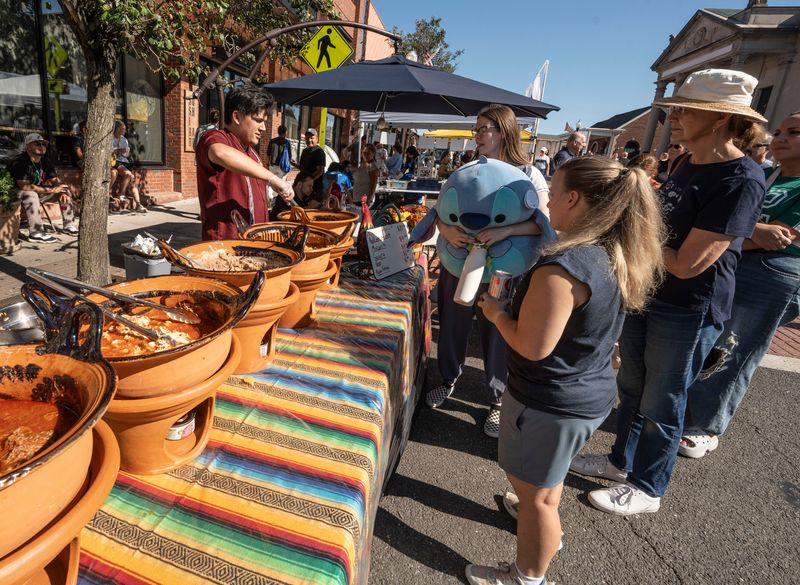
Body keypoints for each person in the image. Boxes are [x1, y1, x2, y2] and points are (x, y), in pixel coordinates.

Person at [570, 68, 767, 515]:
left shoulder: (741, 178)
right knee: (635, 385)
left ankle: (649, 486)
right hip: (652, 295)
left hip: (690, 308)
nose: (672, 114)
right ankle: (622, 461)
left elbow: (687, 263)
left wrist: (632, 231)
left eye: (685, 108)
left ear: (718, 118)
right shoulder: (687, 163)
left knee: (664, 399)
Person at [465, 156, 665, 585]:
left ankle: (526, 573)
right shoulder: (613, 253)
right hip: (584, 395)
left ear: (573, 199)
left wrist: (498, 314)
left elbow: (534, 346)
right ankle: (539, 521)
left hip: (548, 401)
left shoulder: (563, 267)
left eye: (552, 194)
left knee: (537, 499)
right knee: (545, 487)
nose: (547, 202)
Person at [679, 111, 800, 458]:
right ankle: (683, 412)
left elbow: (780, 238)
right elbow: (729, 227)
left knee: (734, 349)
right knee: (706, 341)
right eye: (778, 131)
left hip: (772, 275)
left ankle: (705, 426)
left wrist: (734, 231)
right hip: (733, 265)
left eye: (794, 132)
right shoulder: (761, 174)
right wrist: (751, 230)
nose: (780, 137)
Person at [426, 103, 551, 438]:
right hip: (460, 262)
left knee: (497, 330)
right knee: (453, 321)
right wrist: (446, 230)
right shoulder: (467, 170)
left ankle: (498, 399)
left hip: (503, 271)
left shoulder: (529, 174)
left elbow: (542, 224)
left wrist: (506, 231)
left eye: (484, 129)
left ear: (504, 131)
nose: (478, 136)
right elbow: (444, 210)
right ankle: (449, 377)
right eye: (476, 130)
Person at [195, 84, 293, 241]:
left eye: (265, 122)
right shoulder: (215, 138)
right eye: (258, 120)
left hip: (255, 244)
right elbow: (220, 153)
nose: (263, 128)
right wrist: (273, 179)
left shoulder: (252, 153)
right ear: (236, 117)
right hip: (225, 246)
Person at [9, 133, 79, 241]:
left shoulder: (44, 161)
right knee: (31, 195)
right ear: (28, 146)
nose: (41, 146)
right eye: (37, 144)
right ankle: (36, 233)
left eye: (44, 144)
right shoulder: (20, 161)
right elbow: (25, 186)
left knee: (64, 191)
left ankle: (69, 225)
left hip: (37, 191)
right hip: (15, 192)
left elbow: (56, 181)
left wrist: (62, 191)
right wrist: (51, 190)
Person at [111, 121, 146, 213]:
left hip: (124, 161)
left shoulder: (124, 139)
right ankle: (121, 194)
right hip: (116, 161)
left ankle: (138, 204)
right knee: (128, 174)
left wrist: (124, 152)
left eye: (125, 129)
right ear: (117, 129)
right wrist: (118, 150)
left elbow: (126, 154)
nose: (124, 131)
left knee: (132, 180)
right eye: (122, 129)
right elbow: (109, 150)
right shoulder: (110, 138)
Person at [293, 128, 326, 201]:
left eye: (312, 138)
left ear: (317, 139)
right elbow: (303, 169)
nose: (309, 140)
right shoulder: (305, 151)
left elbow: (320, 171)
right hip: (304, 189)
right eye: (307, 138)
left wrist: (309, 181)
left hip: (315, 189)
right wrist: (295, 164)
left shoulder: (319, 152)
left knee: (313, 210)